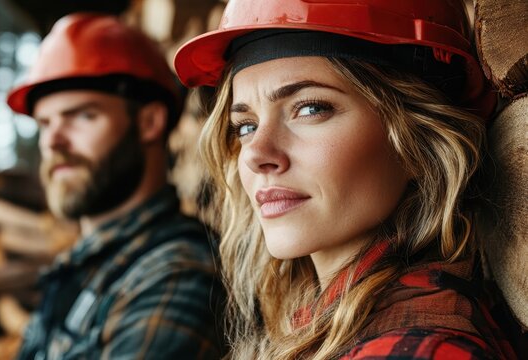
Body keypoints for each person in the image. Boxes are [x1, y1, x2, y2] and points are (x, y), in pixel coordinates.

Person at [174, 0, 517, 359]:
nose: (257, 155)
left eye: (310, 108)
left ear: (419, 141)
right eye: (246, 126)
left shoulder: (419, 351)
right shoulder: (331, 327)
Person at [6, 13, 222, 359]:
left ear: (150, 122)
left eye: (82, 115)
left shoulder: (178, 274)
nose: (53, 142)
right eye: (45, 123)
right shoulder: (84, 267)